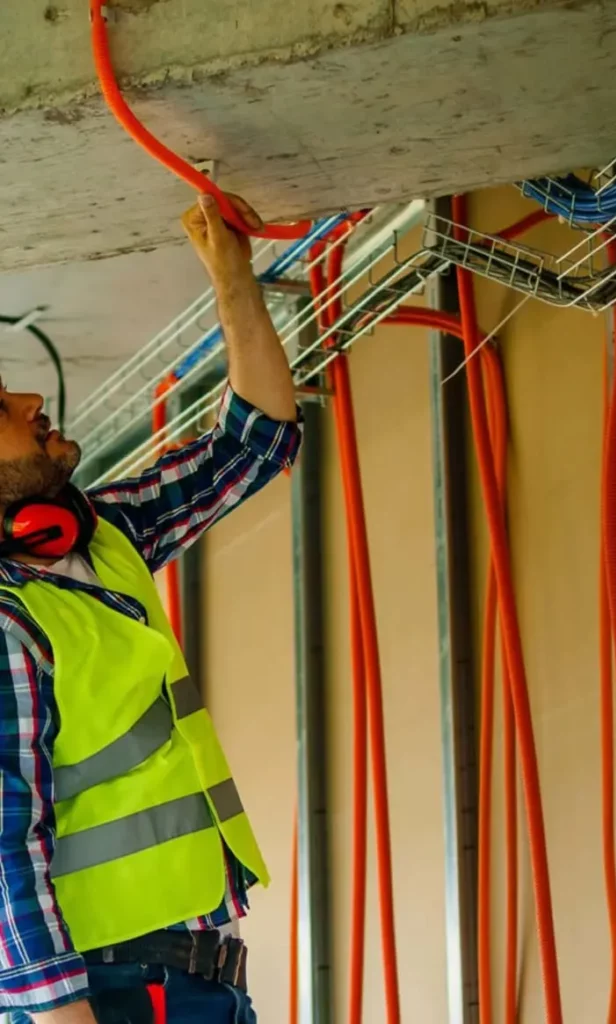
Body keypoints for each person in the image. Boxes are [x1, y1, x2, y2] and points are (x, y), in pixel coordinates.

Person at [0, 192, 302, 1024]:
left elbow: (258, 439)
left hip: (186, 984)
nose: (31, 400)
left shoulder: (97, 540)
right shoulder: (3, 623)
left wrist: (233, 280)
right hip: (106, 997)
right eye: (1, 408)